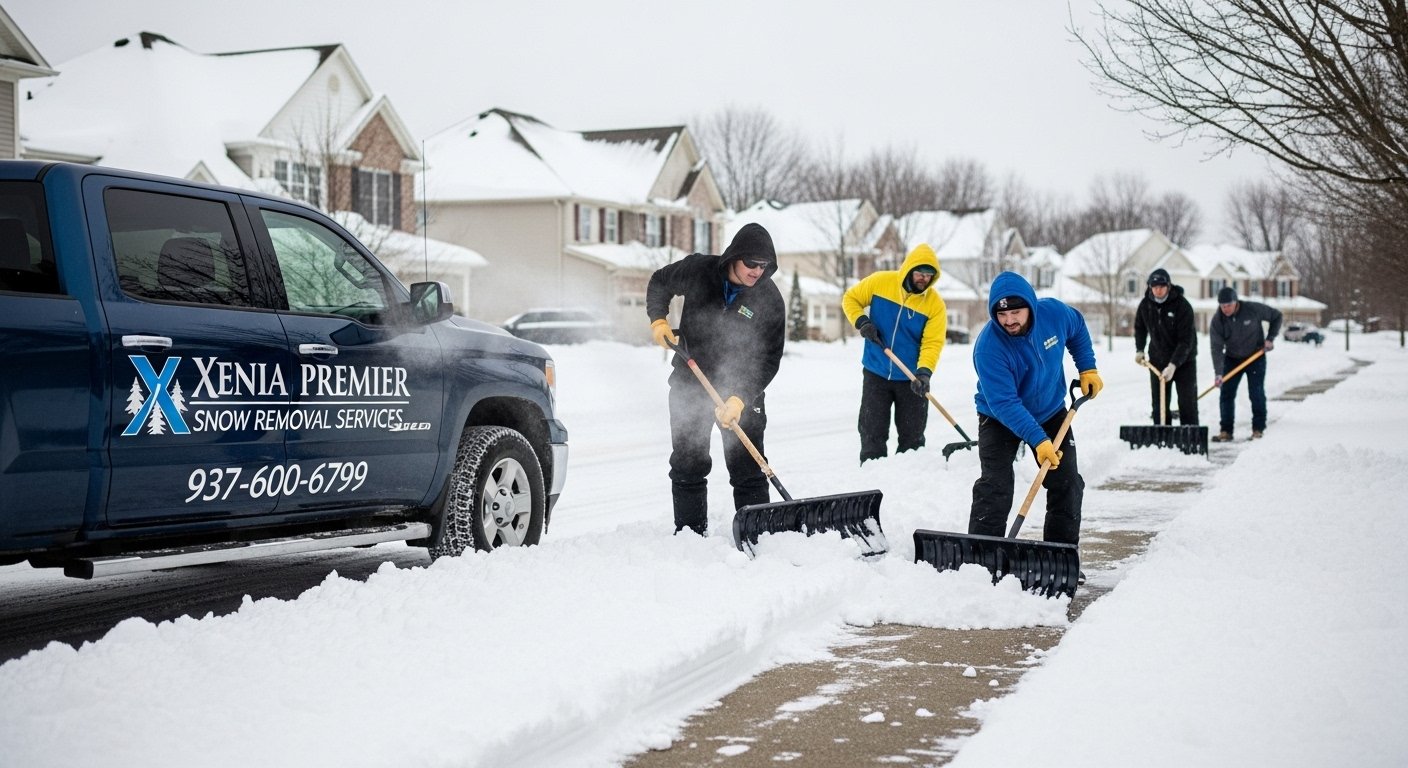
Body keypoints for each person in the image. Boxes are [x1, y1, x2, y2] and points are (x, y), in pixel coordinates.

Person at [645, 223, 786, 536]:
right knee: (687, 463)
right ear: (734, 257)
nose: (757, 272)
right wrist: (659, 320)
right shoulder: (699, 270)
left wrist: (740, 397)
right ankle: (690, 534)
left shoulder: (769, 300)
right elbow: (659, 282)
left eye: (764, 266)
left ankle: (757, 536)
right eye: (751, 263)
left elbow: (769, 358)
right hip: (690, 379)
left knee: (747, 467)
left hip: (741, 389)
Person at [969, 271, 1101, 556]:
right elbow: (1004, 403)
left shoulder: (1052, 313)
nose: (1009, 321)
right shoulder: (988, 348)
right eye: (1002, 315)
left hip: (1050, 411)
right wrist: (1038, 440)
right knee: (996, 486)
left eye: (1016, 312)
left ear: (1031, 305)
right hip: (999, 417)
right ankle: (980, 559)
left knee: (1066, 482)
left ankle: (1060, 555)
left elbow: (1076, 325)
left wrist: (1087, 367)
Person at [840, 243, 947, 464]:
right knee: (871, 433)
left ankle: (907, 483)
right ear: (909, 268)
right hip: (875, 371)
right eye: (919, 273)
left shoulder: (934, 304)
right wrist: (862, 322)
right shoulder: (880, 282)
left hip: (910, 379)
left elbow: (932, 342)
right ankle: (871, 476)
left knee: (912, 440)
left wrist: (924, 373)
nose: (923, 279)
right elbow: (850, 299)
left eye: (928, 275)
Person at [1208, 286, 1282, 441]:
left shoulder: (1252, 309)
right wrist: (1219, 373)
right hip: (1232, 358)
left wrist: (1270, 339)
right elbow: (1216, 348)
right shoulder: (1218, 320)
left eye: (1228, 305)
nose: (1225, 309)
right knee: (1226, 393)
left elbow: (1276, 316)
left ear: (1236, 302)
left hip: (1255, 356)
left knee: (1256, 392)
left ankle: (1258, 429)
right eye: (1222, 306)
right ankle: (1226, 431)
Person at [1133, 268, 1198, 425]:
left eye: (1161, 286)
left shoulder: (1182, 306)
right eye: (1154, 287)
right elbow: (1140, 328)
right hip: (1157, 360)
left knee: (1187, 402)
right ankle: (1162, 436)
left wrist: (1173, 365)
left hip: (1184, 361)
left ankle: (1189, 436)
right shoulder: (1145, 305)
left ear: (1168, 286)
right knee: (1159, 403)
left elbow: (1186, 341)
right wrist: (1140, 349)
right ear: (1150, 287)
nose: (1158, 290)